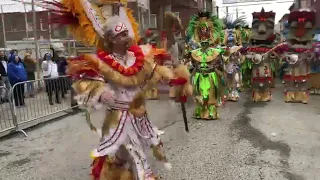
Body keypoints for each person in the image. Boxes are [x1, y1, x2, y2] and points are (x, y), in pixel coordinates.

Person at [47, 1, 192, 179]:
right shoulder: (103, 61)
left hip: (139, 115)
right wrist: (102, 92)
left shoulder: (138, 57)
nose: (127, 38)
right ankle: (144, 176)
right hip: (118, 117)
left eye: (126, 33)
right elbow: (88, 83)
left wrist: (175, 78)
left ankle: (127, 174)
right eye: (121, 35)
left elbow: (154, 74)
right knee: (132, 151)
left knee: (137, 149)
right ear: (111, 39)